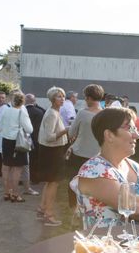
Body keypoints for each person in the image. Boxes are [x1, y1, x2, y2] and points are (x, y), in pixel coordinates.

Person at [70, 107, 139, 228]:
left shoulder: (134, 166)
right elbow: (136, 208)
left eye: (135, 128)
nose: (137, 135)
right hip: (104, 245)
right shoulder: (93, 170)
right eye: (130, 128)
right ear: (109, 135)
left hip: (138, 244)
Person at [66, 84, 104, 208]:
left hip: (80, 153)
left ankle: (73, 208)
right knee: (94, 184)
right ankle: (91, 207)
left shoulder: (82, 113)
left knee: (75, 182)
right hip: (97, 155)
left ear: (88, 98)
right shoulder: (105, 114)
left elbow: (71, 132)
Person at [38, 87, 70, 226]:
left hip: (52, 151)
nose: (62, 99)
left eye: (63, 96)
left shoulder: (54, 112)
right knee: (53, 183)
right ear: (52, 99)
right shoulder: (52, 113)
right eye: (58, 96)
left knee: (49, 182)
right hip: (52, 151)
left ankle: (42, 209)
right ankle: (48, 215)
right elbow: (49, 137)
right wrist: (66, 131)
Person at [0, 91, 33, 203]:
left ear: (12, 100)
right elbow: (30, 129)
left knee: (6, 167)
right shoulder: (22, 112)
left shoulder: (6, 111)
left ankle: (7, 192)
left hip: (6, 141)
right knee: (17, 169)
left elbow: (0, 127)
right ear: (23, 101)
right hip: (17, 143)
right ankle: (16, 194)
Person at [25, 93, 46, 186]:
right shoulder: (40, 112)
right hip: (36, 138)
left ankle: (23, 179)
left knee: (23, 160)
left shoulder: (22, 111)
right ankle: (35, 178)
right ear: (34, 101)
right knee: (35, 160)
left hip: (23, 138)